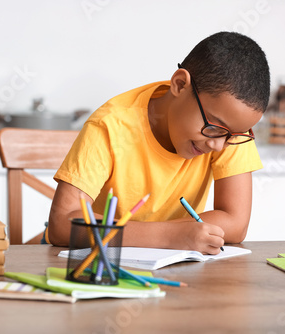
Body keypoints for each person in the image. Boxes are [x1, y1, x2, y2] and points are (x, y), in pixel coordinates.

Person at [46, 31, 270, 254]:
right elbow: (62, 224)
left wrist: (160, 236)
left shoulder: (229, 129)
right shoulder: (110, 124)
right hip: (102, 268)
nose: (218, 146)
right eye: (214, 127)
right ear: (180, 84)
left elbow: (235, 223)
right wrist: (167, 236)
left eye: (232, 136)